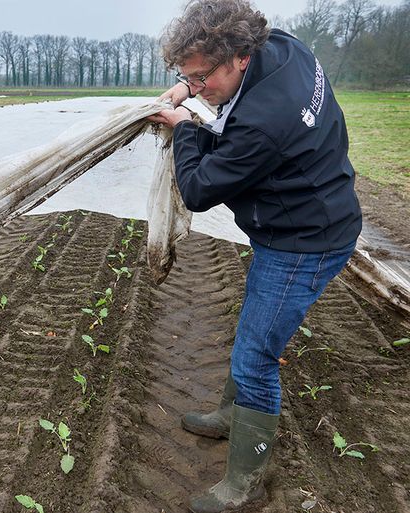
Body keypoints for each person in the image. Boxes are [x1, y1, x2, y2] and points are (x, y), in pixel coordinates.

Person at [147, 1, 362, 512]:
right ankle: (229, 414)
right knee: (255, 329)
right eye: (188, 77)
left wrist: (187, 126)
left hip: (304, 240)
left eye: (202, 79)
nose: (197, 89)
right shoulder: (280, 45)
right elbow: (205, 85)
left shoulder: (264, 122)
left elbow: (198, 189)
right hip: (314, 207)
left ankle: (245, 485)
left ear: (239, 57)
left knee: (256, 356)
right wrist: (185, 87)